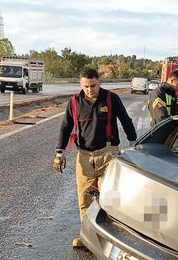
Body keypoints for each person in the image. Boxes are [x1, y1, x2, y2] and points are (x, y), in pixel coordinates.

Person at [53, 68, 137, 247]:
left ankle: (113, 237)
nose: (90, 90)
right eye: (86, 86)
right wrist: (59, 152)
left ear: (99, 82)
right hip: (84, 156)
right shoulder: (74, 102)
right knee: (84, 198)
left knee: (110, 197)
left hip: (108, 153)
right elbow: (65, 127)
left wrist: (133, 142)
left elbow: (125, 119)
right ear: (80, 84)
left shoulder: (111, 98)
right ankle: (87, 236)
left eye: (93, 85)